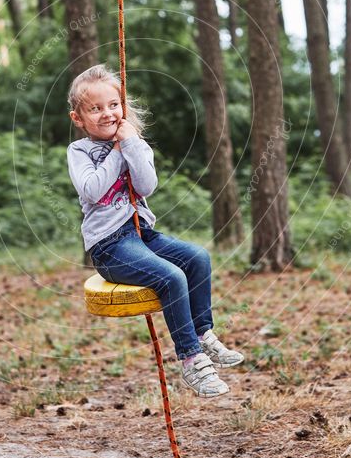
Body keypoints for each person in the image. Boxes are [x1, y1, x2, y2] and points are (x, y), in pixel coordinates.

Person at [67, 64, 244, 398]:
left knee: (197, 258)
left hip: (142, 234)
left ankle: (204, 334)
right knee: (171, 277)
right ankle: (192, 360)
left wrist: (131, 144)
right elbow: (92, 190)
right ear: (78, 118)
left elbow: (147, 185)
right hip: (110, 246)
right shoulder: (79, 152)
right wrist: (118, 152)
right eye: (96, 108)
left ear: (123, 106)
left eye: (113, 105)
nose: (107, 113)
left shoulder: (134, 141)